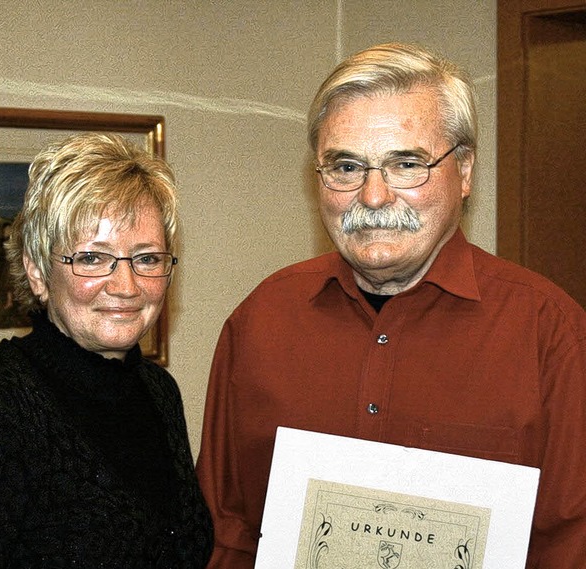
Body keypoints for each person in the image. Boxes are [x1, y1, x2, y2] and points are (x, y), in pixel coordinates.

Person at [196, 43, 586, 568]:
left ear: (464, 171)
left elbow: (571, 547)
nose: (374, 196)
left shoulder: (551, 335)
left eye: (406, 163)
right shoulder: (261, 321)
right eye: (347, 166)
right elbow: (229, 531)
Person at [0, 133, 213, 567]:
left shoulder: (160, 392)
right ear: (36, 273)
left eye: (146, 259)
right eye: (91, 258)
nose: (126, 286)